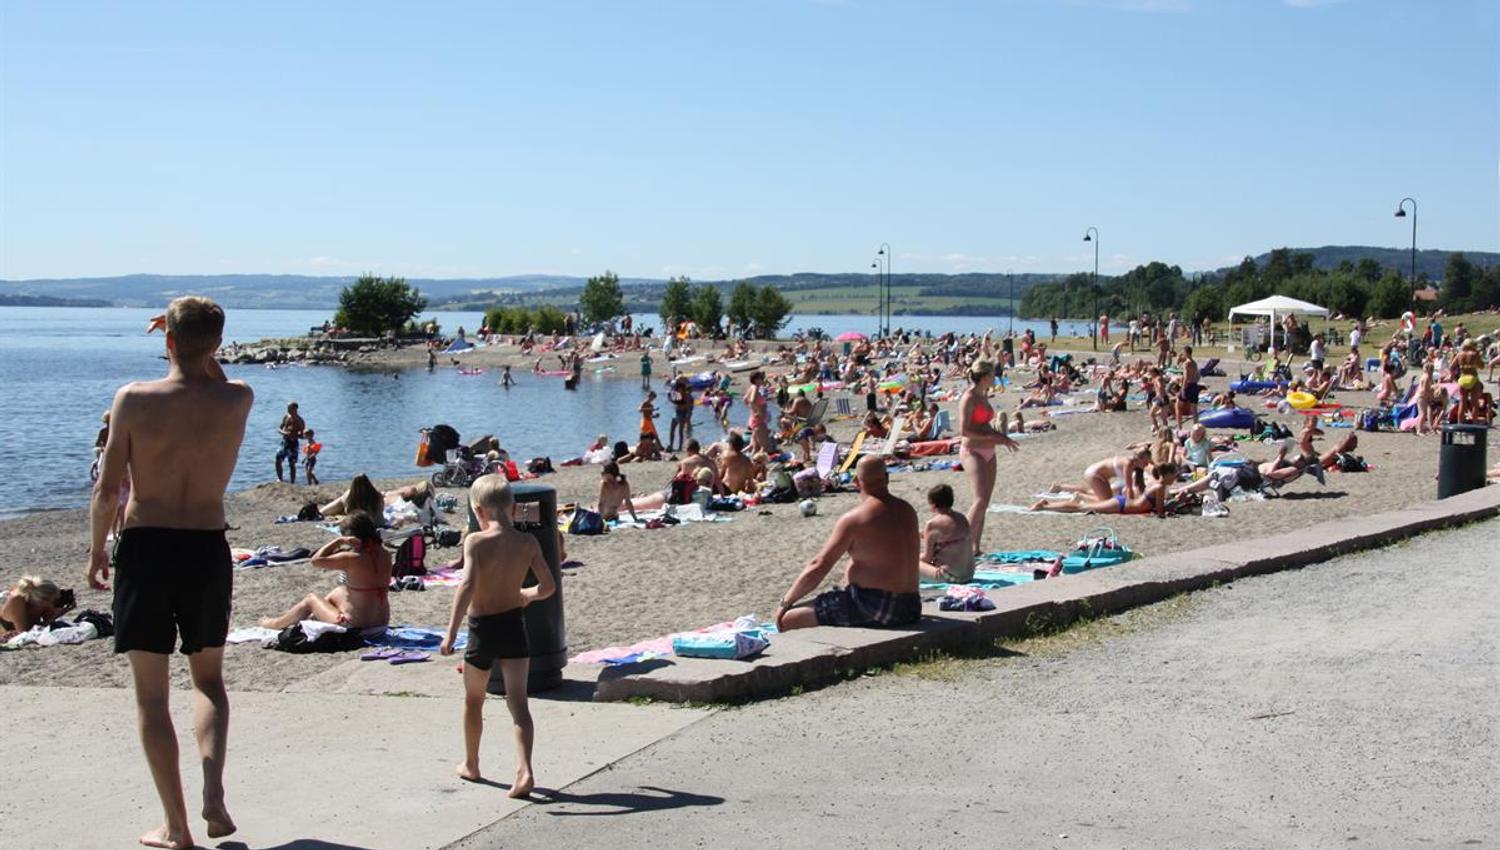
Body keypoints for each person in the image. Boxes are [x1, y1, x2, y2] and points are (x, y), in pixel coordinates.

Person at [88, 297, 253, 849]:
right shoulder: (238, 400)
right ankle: (213, 791)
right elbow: (213, 376)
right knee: (208, 681)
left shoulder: (133, 399)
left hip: (147, 548)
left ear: (167, 342)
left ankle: (177, 826)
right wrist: (199, 349)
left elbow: (108, 488)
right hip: (206, 546)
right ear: (218, 346)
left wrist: (96, 550)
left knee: (151, 698)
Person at [440, 475, 556, 797]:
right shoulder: (528, 543)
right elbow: (548, 587)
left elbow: (466, 588)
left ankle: (472, 764)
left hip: (482, 630)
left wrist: (450, 634)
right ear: (513, 507)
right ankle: (525, 770)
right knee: (519, 704)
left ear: (478, 510)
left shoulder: (476, 541)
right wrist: (526, 595)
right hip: (514, 626)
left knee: (474, 700)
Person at [775, 456, 921, 631]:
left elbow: (819, 565)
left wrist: (786, 602)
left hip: (876, 606)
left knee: (788, 619)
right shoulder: (907, 510)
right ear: (887, 478)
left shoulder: (855, 519)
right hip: (911, 606)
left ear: (856, 482)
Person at [258, 511, 392, 630]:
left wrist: (338, 542)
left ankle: (275, 624)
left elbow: (316, 560)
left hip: (354, 625)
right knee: (340, 591)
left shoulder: (352, 558)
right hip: (381, 623)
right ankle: (312, 616)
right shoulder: (386, 554)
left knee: (311, 599)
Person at [958, 360, 1019, 557]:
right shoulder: (969, 398)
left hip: (989, 451)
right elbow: (965, 431)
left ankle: (975, 546)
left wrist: (1002, 438)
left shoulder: (983, 396)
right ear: (984, 377)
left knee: (985, 501)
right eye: (992, 375)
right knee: (980, 499)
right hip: (973, 451)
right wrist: (992, 437)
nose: (994, 378)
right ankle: (957, 542)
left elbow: (983, 424)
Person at [1029, 463, 1181, 515]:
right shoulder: (1160, 486)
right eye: (1174, 475)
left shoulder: (1157, 484)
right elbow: (1160, 511)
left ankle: (1046, 505)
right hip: (1122, 505)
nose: (1175, 478)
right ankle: (1045, 506)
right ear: (1167, 475)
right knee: (1082, 508)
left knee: (1084, 507)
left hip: (1124, 504)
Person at [916, 484, 974, 584]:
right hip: (969, 574)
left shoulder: (932, 524)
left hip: (951, 576)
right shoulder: (962, 518)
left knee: (909, 562)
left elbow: (927, 557)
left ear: (933, 504)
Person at [0, 576, 73, 640]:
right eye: (54, 600)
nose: (55, 603)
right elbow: (24, 633)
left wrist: (62, 610)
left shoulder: (42, 603)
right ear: (43, 600)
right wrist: (58, 613)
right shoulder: (17, 600)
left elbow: (46, 624)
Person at [275, 401, 305, 483]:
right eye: (288, 408)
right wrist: (284, 433)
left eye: (290, 408)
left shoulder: (300, 421)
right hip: (284, 441)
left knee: (292, 463)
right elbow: (279, 428)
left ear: (295, 409)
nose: (288, 409)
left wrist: (294, 435)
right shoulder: (286, 417)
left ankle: (292, 482)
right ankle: (280, 479)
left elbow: (303, 436)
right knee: (278, 460)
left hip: (293, 443)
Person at [746, 370, 773, 454]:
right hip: (759, 421)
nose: (763, 380)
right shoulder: (754, 388)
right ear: (756, 379)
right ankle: (760, 465)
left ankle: (752, 465)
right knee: (765, 447)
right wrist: (758, 412)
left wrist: (753, 410)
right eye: (761, 378)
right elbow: (751, 400)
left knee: (756, 447)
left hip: (755, 420)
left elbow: (745, 399)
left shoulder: (751, 387)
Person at [668, 376, 695, 452]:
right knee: (672, 429)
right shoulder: (678, 394)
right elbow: (675, 402)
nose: (679, 390)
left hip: (683, 413)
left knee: (680, 431)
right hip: (676, 412)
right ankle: (671, 445)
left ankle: (680, 447)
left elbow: (690, 408)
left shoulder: (688, 396)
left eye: (680, 389)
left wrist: (688, 416)